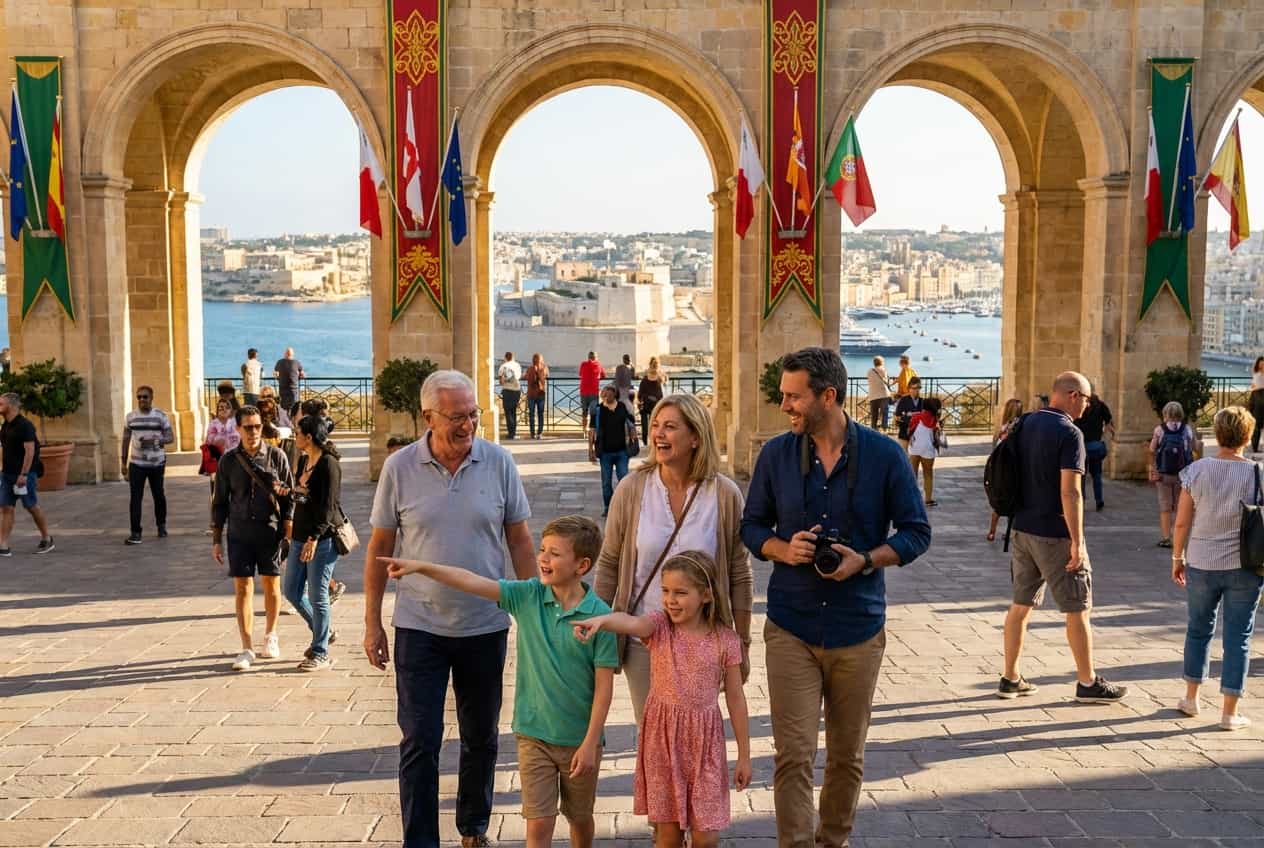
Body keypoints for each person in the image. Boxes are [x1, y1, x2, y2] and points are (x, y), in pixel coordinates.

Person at [740, 347, 931, 847]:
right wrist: (783, 548)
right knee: (793, 755)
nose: (784, 405)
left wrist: (864, 559)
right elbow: (751, 526)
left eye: (793, 396)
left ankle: (834, 841)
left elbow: (917, 532)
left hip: (858, 628)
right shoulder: (776, 455)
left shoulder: (885, 456)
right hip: (791, 626)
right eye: (783, 395)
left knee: (847, 757)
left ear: (828, 396)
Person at [362, 369, 536, 848]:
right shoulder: (399, 468)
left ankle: (473, 826)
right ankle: (420, 841)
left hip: (485, 625)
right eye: (457, 416)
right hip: (419, 627)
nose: (468, 425)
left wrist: (537, 607)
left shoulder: (499, 463)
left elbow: (520, 540)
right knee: (420, 738)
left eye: (473, 414)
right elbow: (379, 548)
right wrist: (372, 622)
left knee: (481, 736)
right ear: (428, 417)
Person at [382, 515, 616, 848]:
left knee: (579, 818)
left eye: (555, 553)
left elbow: (605, 687)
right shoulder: (527, 595)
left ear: (582, 565)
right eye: (543, 549)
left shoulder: (600, 617)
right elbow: (471, 581)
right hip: (533, 735)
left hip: (580, 740)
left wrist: (591, 742)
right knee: (539, 824)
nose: (543, 558)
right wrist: (423, 567)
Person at [594, 393, 753, 726]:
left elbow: (739, 573)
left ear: (695, 436)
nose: (658, 434)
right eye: (655, 425)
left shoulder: (724, 495)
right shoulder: (632, 489)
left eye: (670, 426)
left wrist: (742, 641)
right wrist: (597, 628)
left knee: (695, 734)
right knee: (653, 737)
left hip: (704, 642)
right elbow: (609, 564)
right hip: (644, 641)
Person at [574, 551, 751, 847]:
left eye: (680, 592)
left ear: (706, 595)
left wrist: (744, 755)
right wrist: (603, 621)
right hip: (663, 743)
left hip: (705, 745)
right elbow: (630, 623)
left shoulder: (726, 639)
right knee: (667, 837)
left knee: (706, 838)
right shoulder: (659, 626)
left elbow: (735, 697)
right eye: (666, 591)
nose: (670, 600)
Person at [998, 372, 1128, 704]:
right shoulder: (1070, 433)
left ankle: (1010, 678)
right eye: (1087, 399)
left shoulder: (1024, 423)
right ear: (1072, 395)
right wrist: (1077, 541)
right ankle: (1087, 682)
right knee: (1078, 607)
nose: (1088, 405)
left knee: (1020, 605)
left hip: (1022, 529)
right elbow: (1070, 492)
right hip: (1054, 533)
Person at [1171, 406, 1264, 731]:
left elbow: (1182, 522)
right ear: (1247, 436)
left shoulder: (1195, 471)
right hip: (1245, 565)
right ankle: (1229, 712)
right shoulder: (1257, 473)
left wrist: (1177, 558)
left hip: (1201, 561)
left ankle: (1191, 698)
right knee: (1238, 637)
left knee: (1198, 629)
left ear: (1218, 433)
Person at [212, 405, 294, 672]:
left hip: (269, 530)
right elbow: (220, 501)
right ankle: (246, 646)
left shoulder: (276, 456)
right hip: (239, 532)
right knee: (243, 587)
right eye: (247, 427)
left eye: (257, 426)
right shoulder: (228, 461)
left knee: (271, 583)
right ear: (238, 429)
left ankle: (271, 635)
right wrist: (216, 538)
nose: (253, 432)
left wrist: (288, 526)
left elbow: (289, 496)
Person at [279, 416, 343, 672]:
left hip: (322, 539)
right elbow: (304, 498)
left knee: (318, 596)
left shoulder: (329, 464)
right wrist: (290, 492)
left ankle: (320, 651)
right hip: (299, 535)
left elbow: (328, 507)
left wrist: (314, 538)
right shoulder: (305, 460)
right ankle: (323, 632)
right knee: (292, 591)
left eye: (297, 432)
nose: (295, 436)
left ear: (309, 436)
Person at [0, 393, 53, 556]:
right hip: (7, 474)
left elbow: (30, 451)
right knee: (6, 507)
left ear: (11, 405)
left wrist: (24, 474)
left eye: (1, 403)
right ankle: (3, 545)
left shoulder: (25, 425)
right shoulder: (5, 425)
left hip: (25, 474)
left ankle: (47, 538)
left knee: (31, 506)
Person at [122, 385, 175, 546]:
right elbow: (125, 439)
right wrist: (123, 463)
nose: (142, 400)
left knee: (158, 495)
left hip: (156, 464)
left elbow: (170, 437)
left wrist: (156, 441)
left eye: (145, 397)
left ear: (151, 398)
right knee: (135, 498)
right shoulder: (130, 417)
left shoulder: (160, 416)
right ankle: (135, 533)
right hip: (136, 464)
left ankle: (161, 525)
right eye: (139, 397)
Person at [1148, 401, 1199, 549]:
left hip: (1163, 474)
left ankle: (1166, 538)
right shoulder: (1187, 430)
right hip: (1183, 474)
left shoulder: (1160, 430)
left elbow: (1152, 450)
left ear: (1165, 414)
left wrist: (1152, 469)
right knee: (1179, 506)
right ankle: (1177, 535)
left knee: (1165, 506)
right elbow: (1194, 448)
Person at [588, 385, 636, 516]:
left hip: (622, 452)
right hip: (605, 453)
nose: (607, 396)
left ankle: (624, 506)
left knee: (624, 481)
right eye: (605, 393)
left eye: (610, 393)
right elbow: (592, 430)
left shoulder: (621, 407)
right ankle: (608, 507)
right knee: (606, 483)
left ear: (615, 394)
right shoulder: (598, 410)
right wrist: (590, 449)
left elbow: (630, 421)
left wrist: (632, 433)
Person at [988, 398, 1025, 542]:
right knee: (1013, 502)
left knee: (999, 503)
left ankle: (992, 532)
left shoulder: (1003, 428)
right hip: (1012, 470)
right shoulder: (1018, 427)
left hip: (1000, 470)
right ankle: (1010, 531)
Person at [1075, 393, 1115, 512]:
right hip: (1095, 446)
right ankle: (1099, 500)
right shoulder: (1101, 406)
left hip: (1081, 446)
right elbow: (1109, 422)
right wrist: (1103, 435)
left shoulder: (1079, 405)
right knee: (1097, 475)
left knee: (1081, 476)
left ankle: (1081, 501)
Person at [906, 396, 943, 507]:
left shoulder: (917, 416)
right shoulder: (936, 420)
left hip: (915, 448)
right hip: (928, 449)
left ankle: (911, 498)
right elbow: (938, 436)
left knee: (913, 474)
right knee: (928, 474)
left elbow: (909, 431)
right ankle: (928, 499)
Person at [637, 357, 666, 446]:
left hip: (645, 404)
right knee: (655, 425)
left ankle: (646, 443)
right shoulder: (660, 378)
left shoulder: (645, 379)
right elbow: (661, 395)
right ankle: (653, 443)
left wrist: (641, 400)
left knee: (645, 426)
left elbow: (640, 394)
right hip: (656, 405)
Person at [893, 376, 924, 452]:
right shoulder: (903, 400)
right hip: (904, 433)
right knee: (903, 454)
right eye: (914, 388)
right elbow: (897, 416)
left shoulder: (922, 401)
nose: (917, 390)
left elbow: (925, 417)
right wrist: (912, 416)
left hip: (918, 434)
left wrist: (910, 414)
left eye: (919, 388)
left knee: (916, 456)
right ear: (909, 388)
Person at [497, 351, 523, 440]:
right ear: (513, 357)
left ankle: (511, 434)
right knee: (513, 411)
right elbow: (519, 377)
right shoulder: (517, 365)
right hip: (517, 390)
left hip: (507, 390)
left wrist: (505, 380)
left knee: (508, 412)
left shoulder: (503, 366)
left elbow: (501, 382)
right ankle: (514, 432)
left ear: (505, 358)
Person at [578, 352, 605, 432]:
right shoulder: (598, 365)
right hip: (594, 392)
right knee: (593, 413)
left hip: (583, 391)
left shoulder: (583, 364)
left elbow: (580, 374)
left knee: (584, 411)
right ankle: (592, 430)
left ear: (588, 357)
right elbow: (603, 375)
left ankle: (584, 430)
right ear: (595, 358)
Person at [525, 353, 549, 440]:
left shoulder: (530, 368)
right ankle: (539, 433)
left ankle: (532, 433)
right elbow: (546, 376)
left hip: (532, 394)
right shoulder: (544, 368)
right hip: (540, 394)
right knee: (540, 414)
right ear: (541, 360)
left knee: (532, 414)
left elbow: (526, 377)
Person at [866, 356, 891, 430]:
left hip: (872, 395)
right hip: (883, 394)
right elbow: (887, 381)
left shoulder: (869, 371)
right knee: (884, 412)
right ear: (882, 362)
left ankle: (873, 429)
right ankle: (884, 428)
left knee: (874, 414)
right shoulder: (883, 370)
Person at [1251, 357, 1264, 453]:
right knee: (1257, 425)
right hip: (1258, 399)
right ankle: (1254, 447)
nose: (1262, 366)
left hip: (1259, 397)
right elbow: (1254, 387)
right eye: (1261, 364)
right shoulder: (1257, 375)